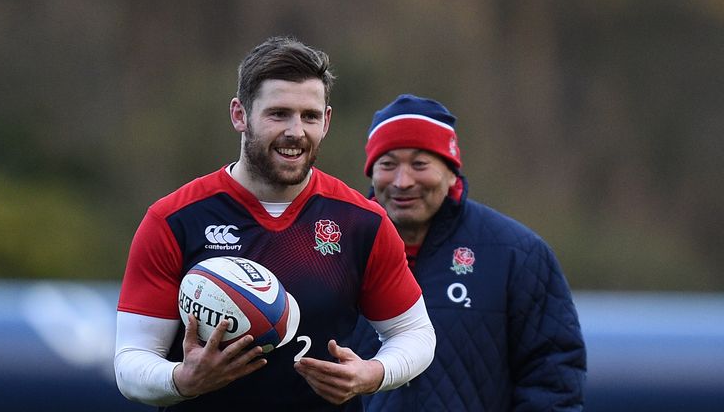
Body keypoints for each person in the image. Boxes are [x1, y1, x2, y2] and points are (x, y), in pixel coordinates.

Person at [113, 38, 435, 411]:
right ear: (240, 115)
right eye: (278, 113)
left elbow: (414, 334)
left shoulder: (361, 221)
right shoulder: (173, 220)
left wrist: (374, 373)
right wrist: (181, 381)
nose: (296, 131)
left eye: (310, 116)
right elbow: (130, 362)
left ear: (326, 121)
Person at [351, 94, 586, 411]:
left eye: (420, 164)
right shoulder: (337, 249)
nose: (402, 181)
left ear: (451, 171)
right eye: (388, 164)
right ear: (372, 172)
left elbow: (554, 377)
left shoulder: (517, 254)